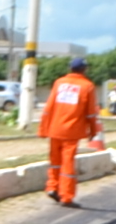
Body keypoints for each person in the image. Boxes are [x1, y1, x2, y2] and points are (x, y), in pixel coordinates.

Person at [39, 54, 103, 204]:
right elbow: (90, 113)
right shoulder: (87, 86)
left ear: (70, 68)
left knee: (55, 160)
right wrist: (93, 132)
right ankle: (66, 196)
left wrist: (43, 128)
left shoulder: (59, 83)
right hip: (72, 131)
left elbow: (49, 107)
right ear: (84, 70)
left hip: (54, 129)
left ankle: (52, 187)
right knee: (67, 164)